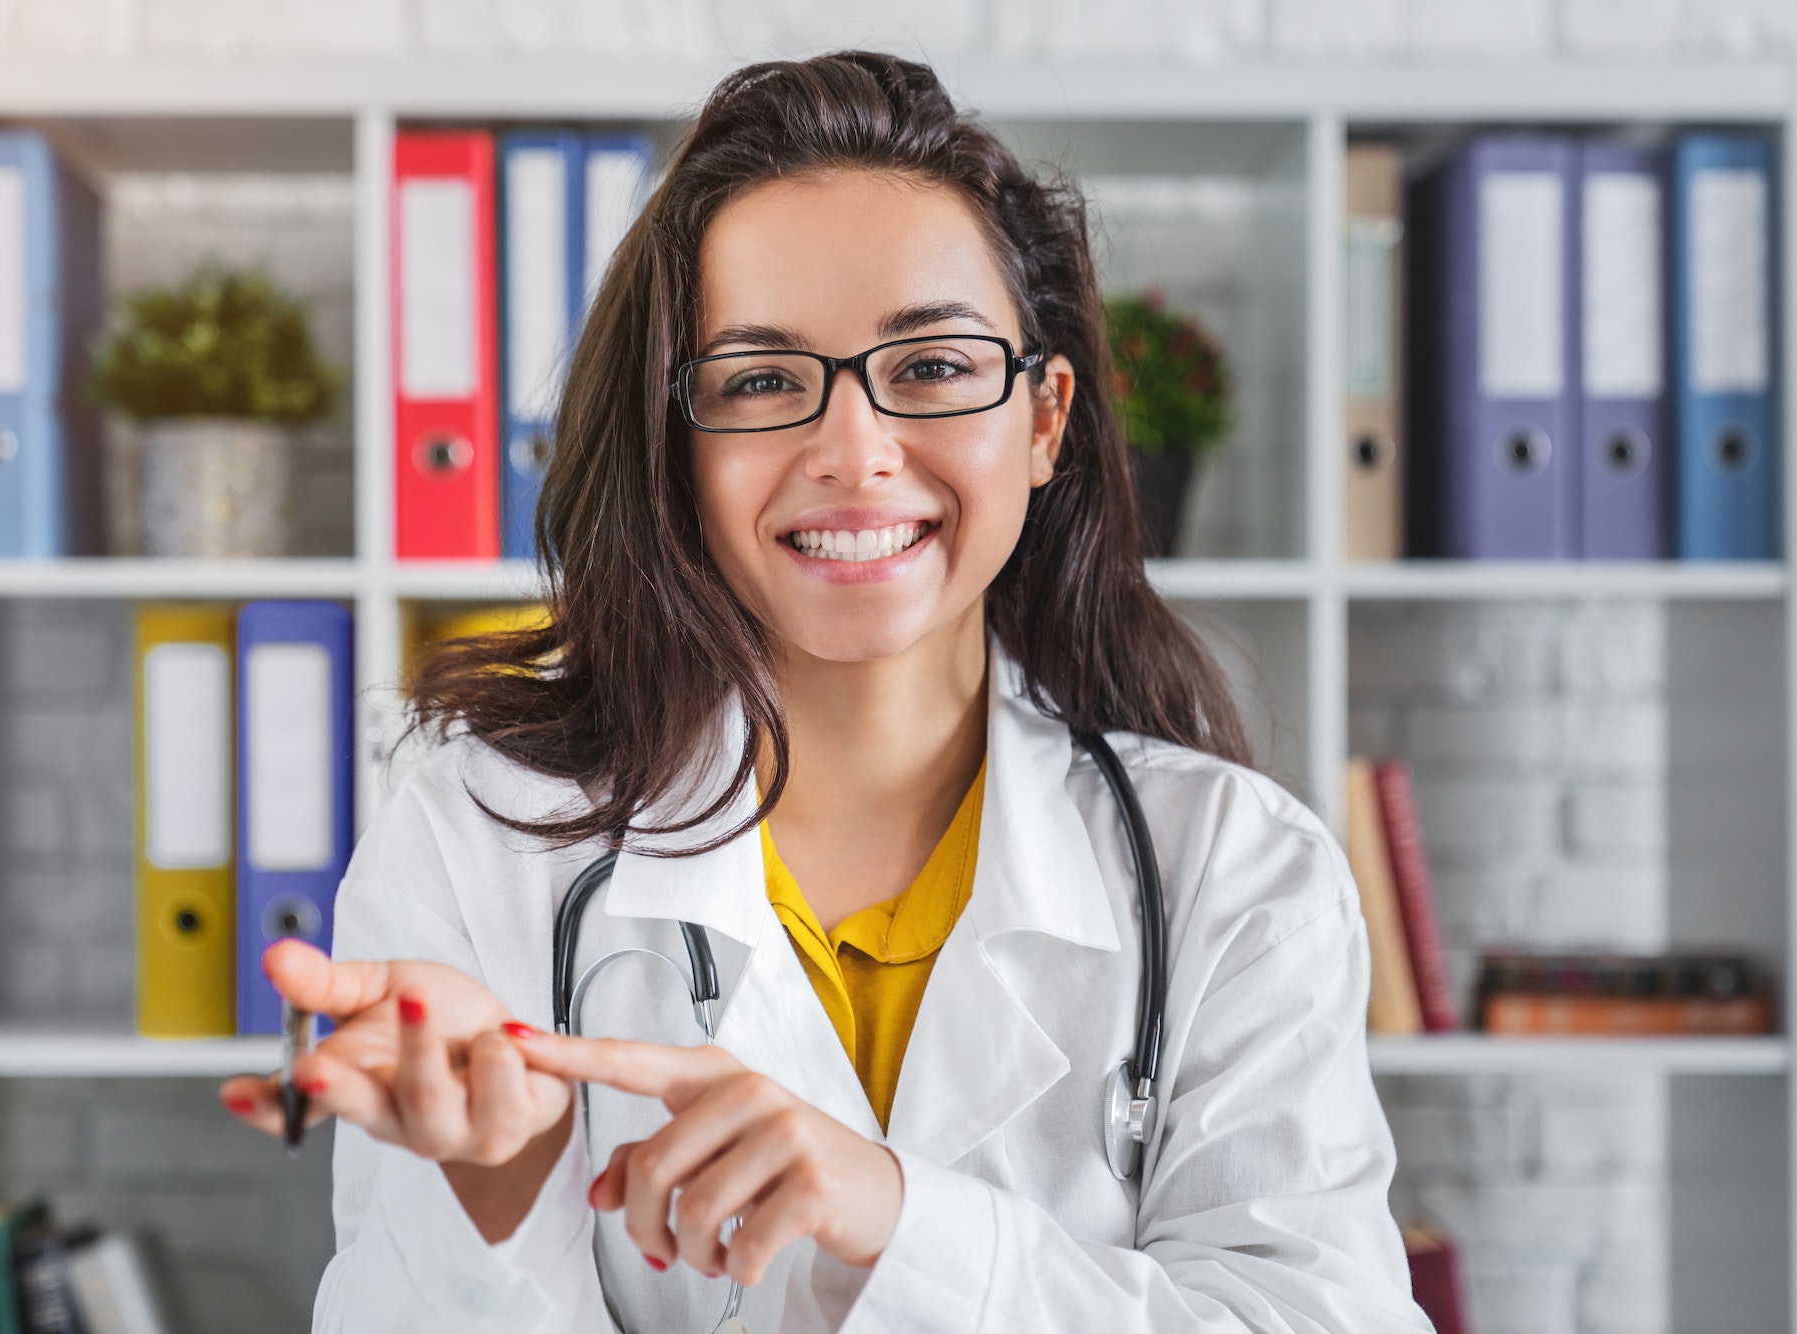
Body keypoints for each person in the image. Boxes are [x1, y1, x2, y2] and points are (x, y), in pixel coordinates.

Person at [221, 50, 1433, 1334]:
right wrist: (502, 1186)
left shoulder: (1238, 875)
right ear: (670, 445)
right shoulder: (478, 840)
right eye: (757, 381)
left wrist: (902, 1224)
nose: (852, 453)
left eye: (929, 367)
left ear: (1044, 419)